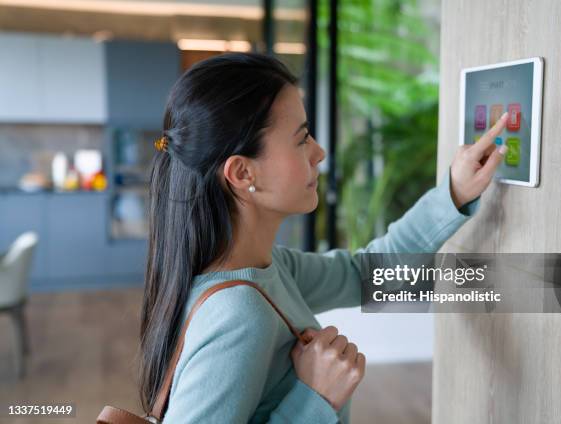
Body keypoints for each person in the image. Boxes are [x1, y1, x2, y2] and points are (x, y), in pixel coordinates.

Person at [138, 52, 509, 423]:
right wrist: (315, 398)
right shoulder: (239, 314)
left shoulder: (269, 267)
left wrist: (454, 193)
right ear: (242, 172)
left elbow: (367, 273)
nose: (319, 152)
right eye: (301, 140)